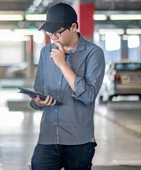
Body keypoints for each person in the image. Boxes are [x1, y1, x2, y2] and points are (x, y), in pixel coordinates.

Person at [29, 2, 106, 170]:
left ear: (73, 27)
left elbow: (88, 96)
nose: (53, 37)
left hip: (78, 141)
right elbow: (39, 92)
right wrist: (38, 102)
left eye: (58, 32)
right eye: (50, 32)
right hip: (48, 137)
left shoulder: (93, 53)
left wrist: (63, 64)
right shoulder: (45, 52)